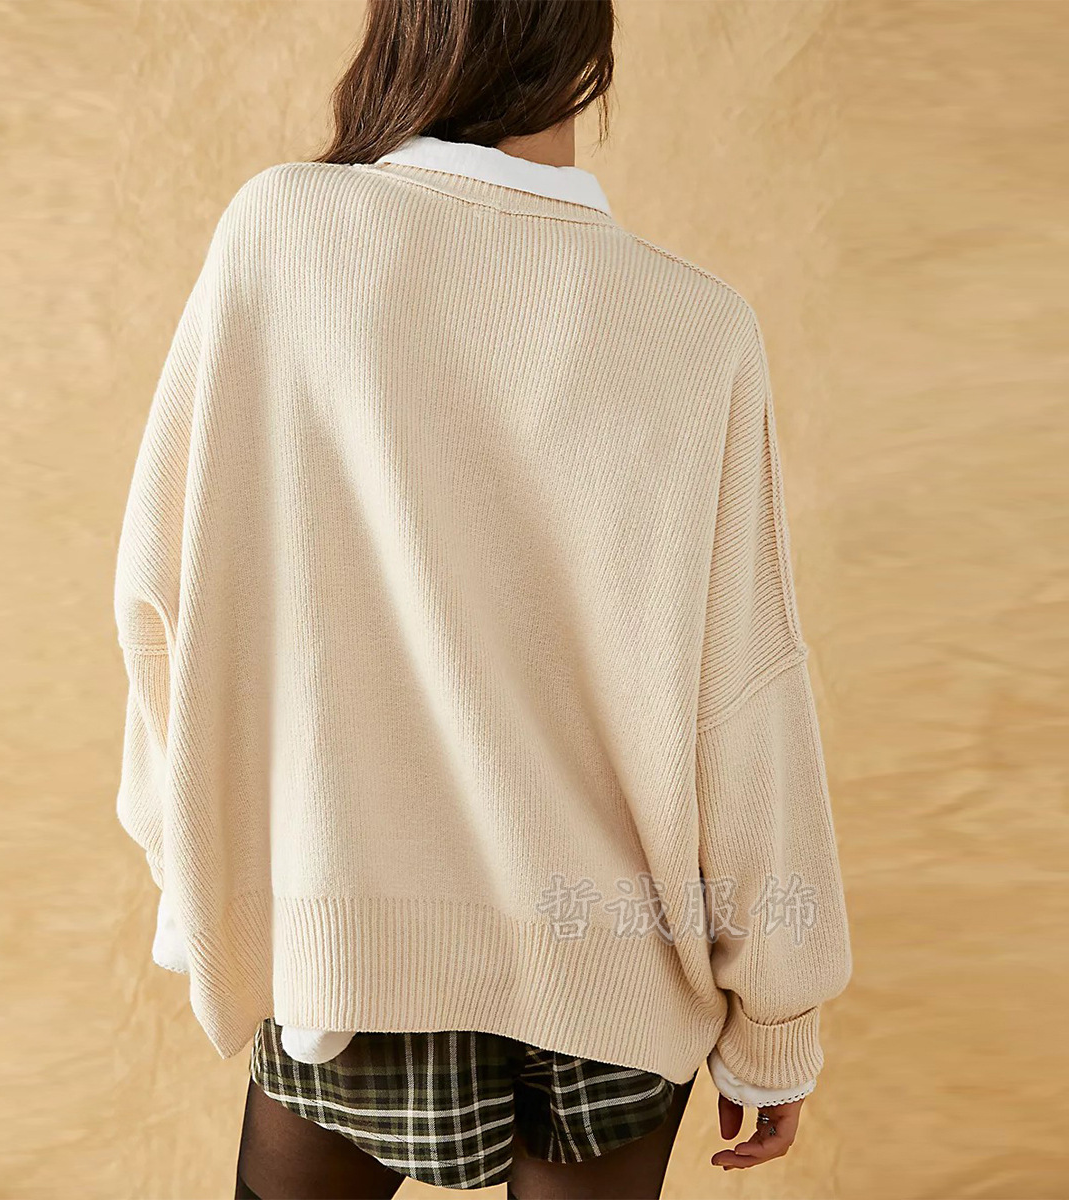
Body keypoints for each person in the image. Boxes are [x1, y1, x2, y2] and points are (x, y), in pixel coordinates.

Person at [111, 1, 853, 1196]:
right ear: (588, 46)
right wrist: (776, 1023)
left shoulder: (286, 233)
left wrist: (209, 887)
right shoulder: (701, 327)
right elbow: (746, 704)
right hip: (613, 956)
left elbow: (161, 603)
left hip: (342, 942)